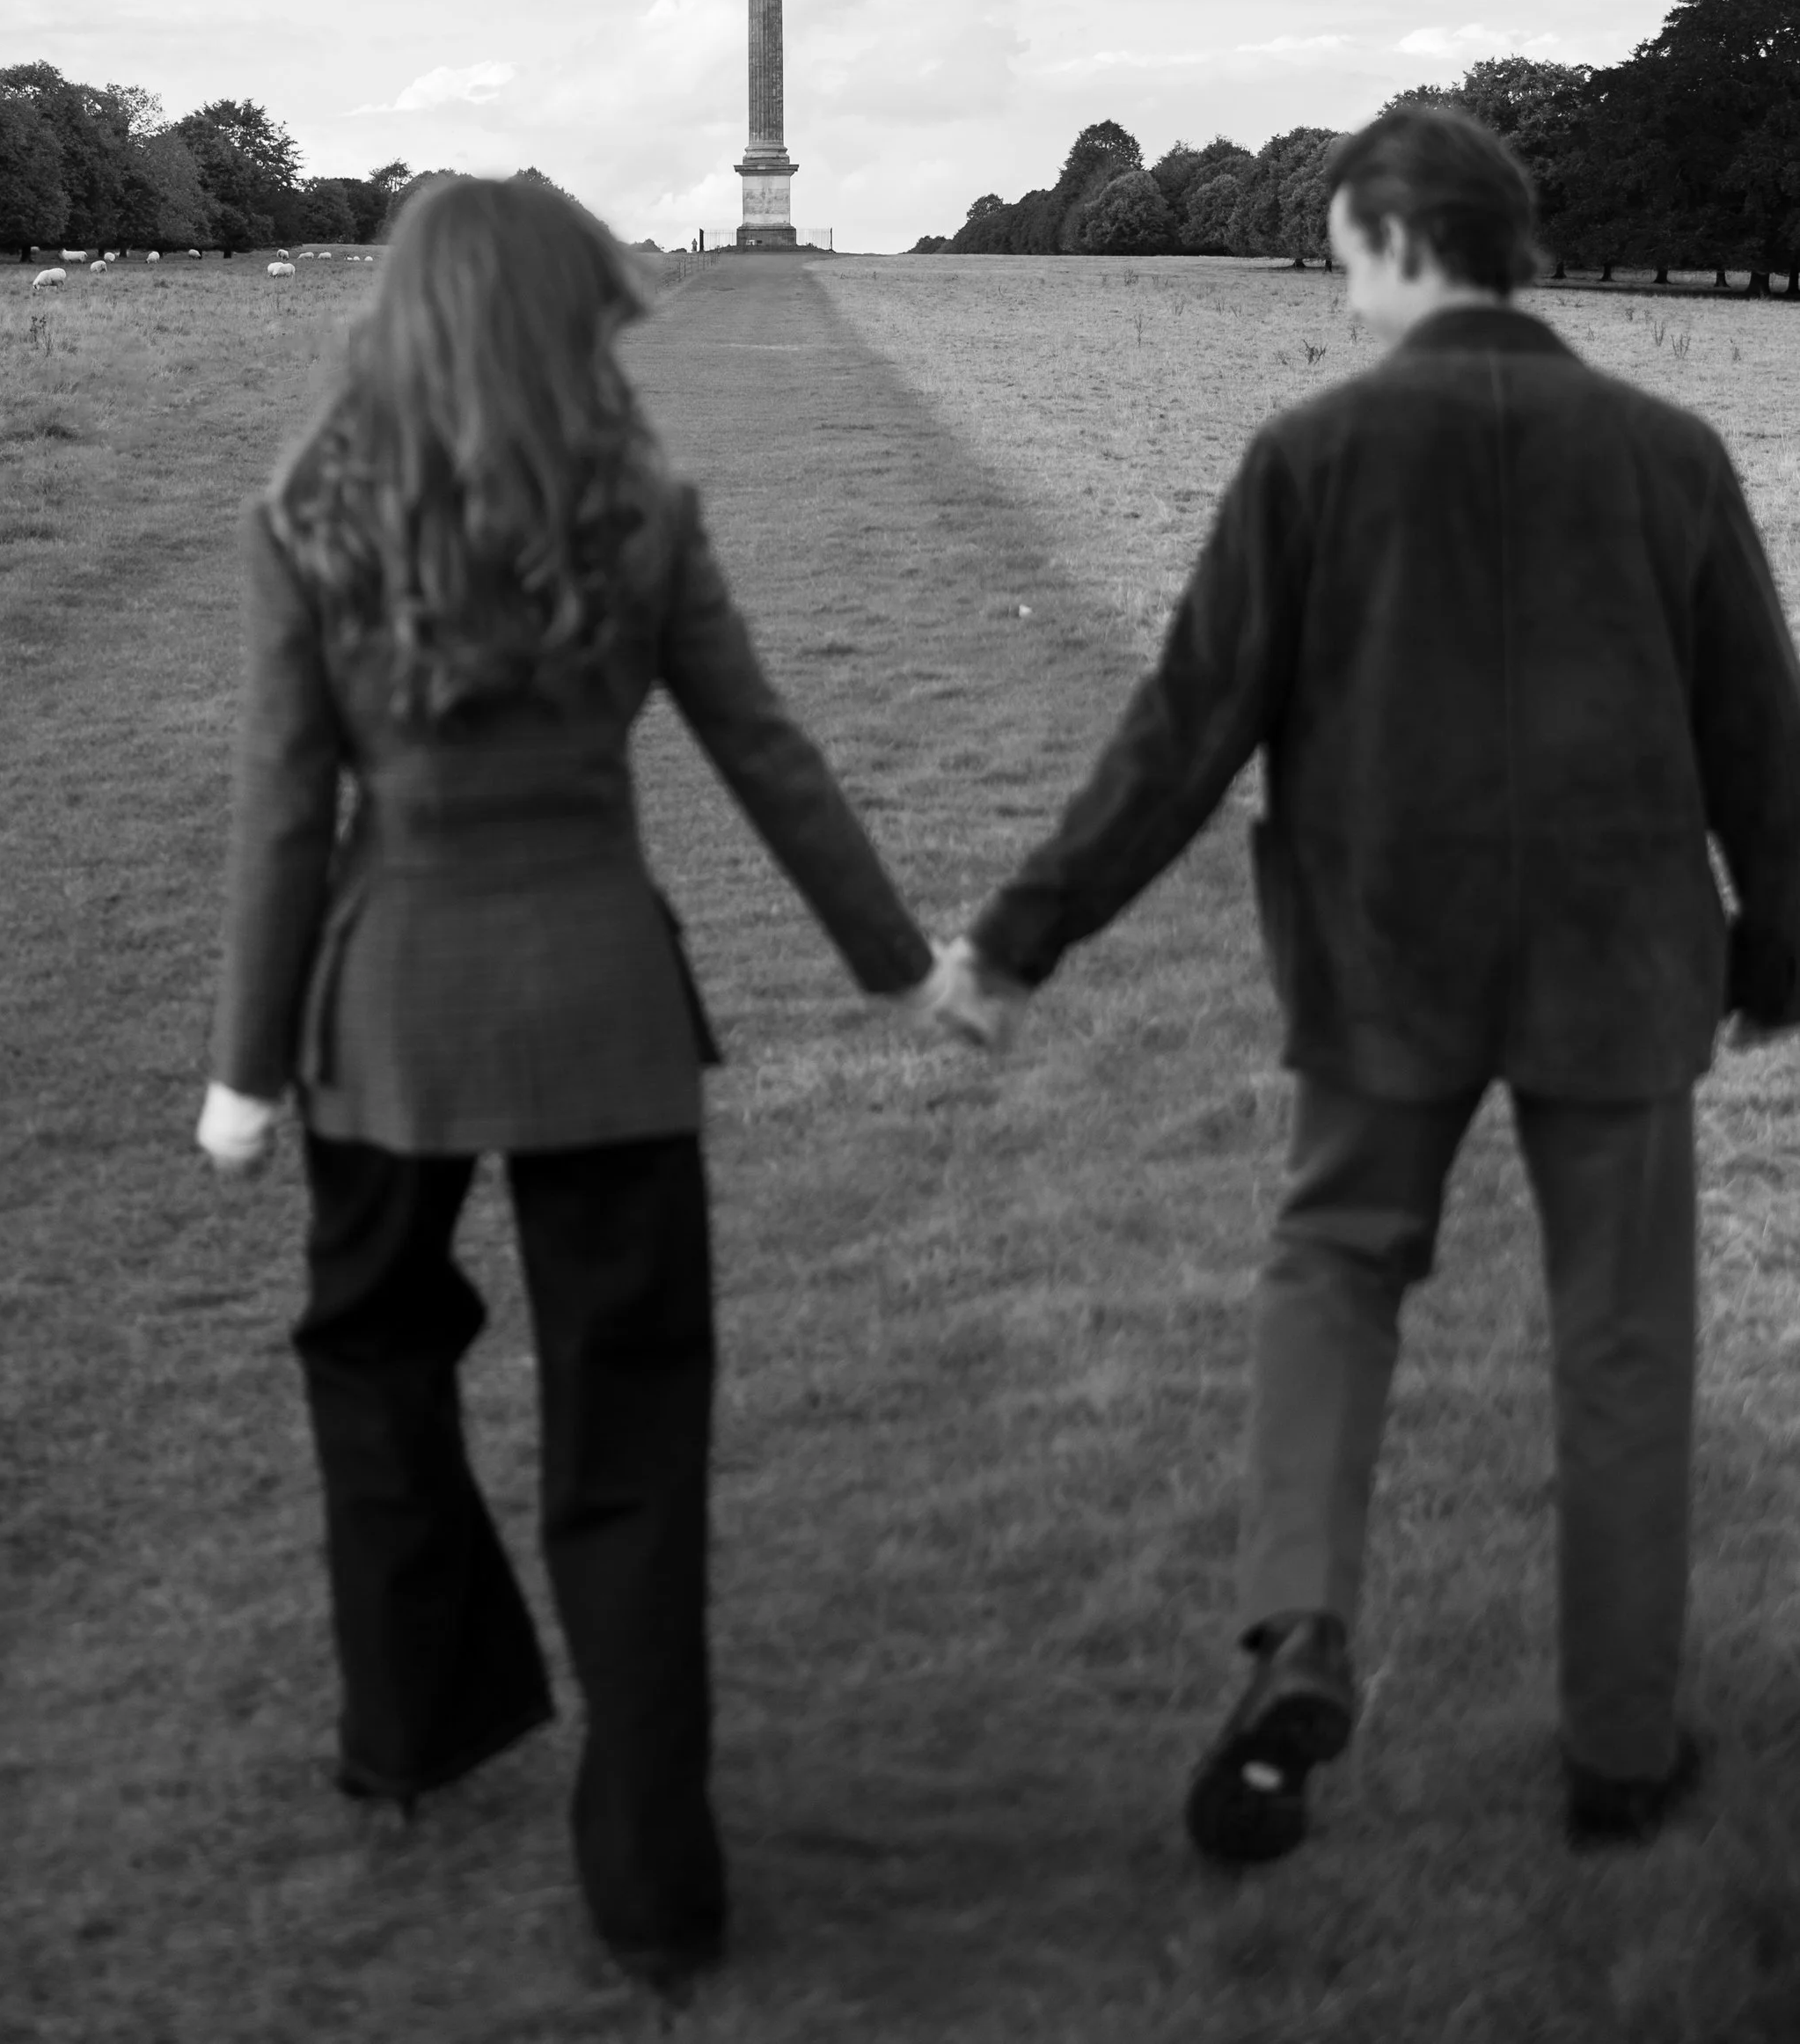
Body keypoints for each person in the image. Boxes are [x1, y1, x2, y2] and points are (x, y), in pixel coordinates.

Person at [953, 106, 1800, 1866]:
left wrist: (1017, 939)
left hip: (1381, 956)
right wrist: (1775, 950)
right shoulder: (1667, 452)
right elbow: (1762, 747)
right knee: (1627, 1345)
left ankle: (1300, 1633)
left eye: (1343, 260)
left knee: (1330, 1274)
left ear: (1401, 242)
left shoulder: (1308, 456)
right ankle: (1620, 1757)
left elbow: (1181, 736)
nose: (1339, 298)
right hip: (1617, 962)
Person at [194, 172, 1005, 1995]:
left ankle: (410, 1725)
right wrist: (903, 963)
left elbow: (280, 814)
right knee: (627, 1443)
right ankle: (653, 1886)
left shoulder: (306, 512)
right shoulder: (634, 506)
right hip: (606, 1024)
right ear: (562, 319)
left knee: (374, 1367)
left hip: (384, 1021)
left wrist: (244, 1075)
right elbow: (764, 752)